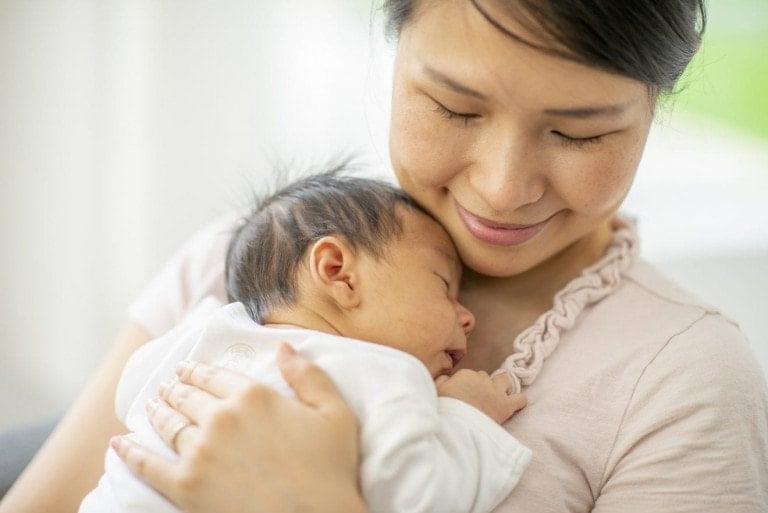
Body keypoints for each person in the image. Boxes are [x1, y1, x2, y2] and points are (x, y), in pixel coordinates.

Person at [2, 0, 767, 512]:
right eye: (455, 107)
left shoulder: (684, 382)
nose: (502, 189)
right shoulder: (249, 258)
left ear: (653, 112)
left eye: (578, 133)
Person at [78, 170, 531, 513]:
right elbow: (419, 498)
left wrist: (197, 326)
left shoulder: (210, 333)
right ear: (337, 272)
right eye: (442, 285)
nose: (467, 317)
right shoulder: (387, 374)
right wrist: (467, 415)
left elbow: (128, 393)